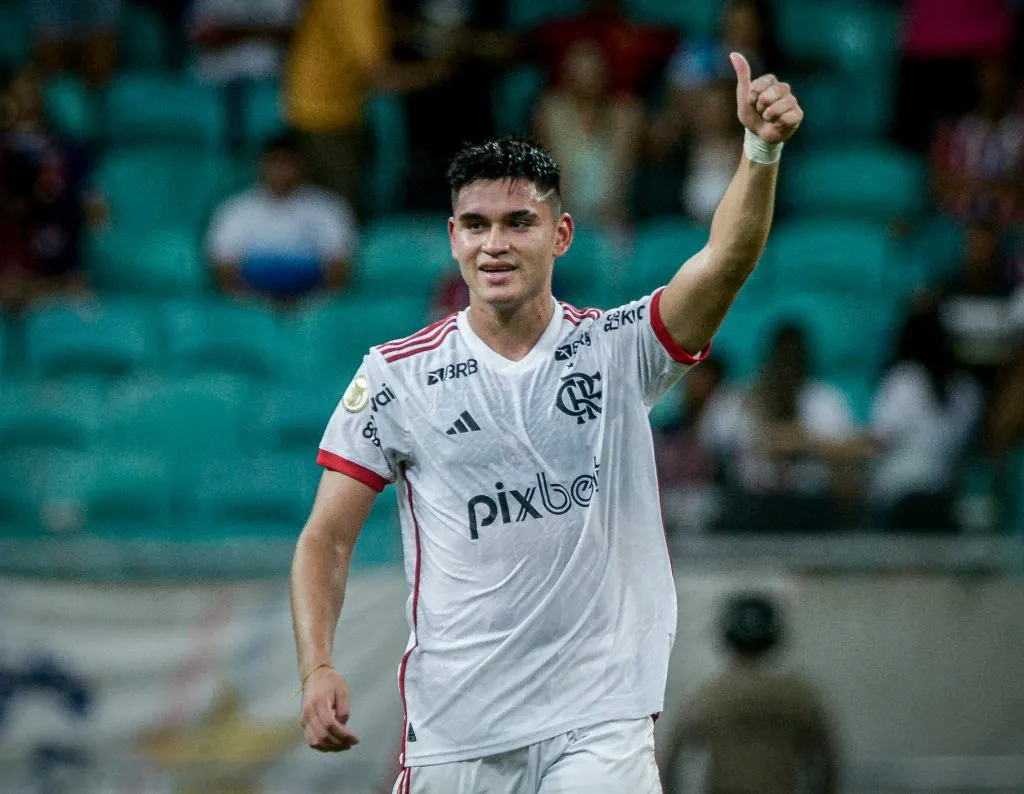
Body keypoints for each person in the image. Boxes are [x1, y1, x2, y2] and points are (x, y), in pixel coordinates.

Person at [290, 51, 804, 793]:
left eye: (517, 222)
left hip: (600, 720)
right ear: (452, 236)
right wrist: (317, 664)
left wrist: (759, 150)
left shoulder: (620, 349)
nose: (493, 243)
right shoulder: (396, 375)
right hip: (459, 729)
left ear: (560, 235)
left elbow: (724, 260)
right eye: (475, 224)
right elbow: (326, 538)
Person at [661, 593, 839, 794]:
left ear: (727, 637)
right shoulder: (799, 697)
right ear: (775, 636)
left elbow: (672, 757)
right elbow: (827, 761)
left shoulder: (711, 696)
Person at [703, 323, 871, 532]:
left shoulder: (823, 400)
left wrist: (803, 442)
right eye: (782, 358)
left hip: (811, 505)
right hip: (752, 506)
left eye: (794, 358)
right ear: (770, 359)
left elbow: (855, 450)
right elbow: (709, 443)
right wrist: (765, 436)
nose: (787, 366)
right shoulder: (739, 399)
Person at [204, 132, 357, 303]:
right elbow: (224, 272)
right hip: (250, 310)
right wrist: (261, 306)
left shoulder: (329, 208)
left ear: (302, 166)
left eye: (288, 163)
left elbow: (338, 270)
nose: (281, 171)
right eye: (275, 162)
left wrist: (306, 306)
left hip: (313, 310)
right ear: (261, 165)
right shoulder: (233, 209)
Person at [868, 305, 983, 532]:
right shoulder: (968, 389)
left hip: (902, 497)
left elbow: (878, 442)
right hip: (943, 494)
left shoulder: (904, 381)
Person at [0, 66, 95, 312]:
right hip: (8, 254)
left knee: (78, 292)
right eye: (18, 91)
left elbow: (90, 205)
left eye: (32, 91)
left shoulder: (66, 151)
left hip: (52, 258)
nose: (26, 98)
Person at [533, 39, 643, 230]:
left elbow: (623, 175)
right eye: (579, 70)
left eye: (593, 70)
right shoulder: (551, 112)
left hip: (612, 215)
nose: (587, 78)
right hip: (563, 210)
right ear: (566, 75)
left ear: (605, 73)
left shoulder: (625, 115)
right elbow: (546, 173)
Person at [654, 357, 727, 535]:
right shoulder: (671, 423)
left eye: (704, 377)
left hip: (709, 499)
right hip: (673, 497)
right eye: (693, 376)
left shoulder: (724, 421)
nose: (696, 383)